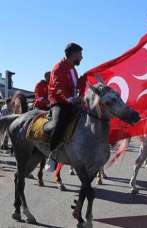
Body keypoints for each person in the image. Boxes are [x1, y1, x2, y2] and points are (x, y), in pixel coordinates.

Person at [44, 42, 83, 171]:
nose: (81, 58)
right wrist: (70, 99)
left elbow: (77, 86)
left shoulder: (73, 69)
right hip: (59, 101)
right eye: (80, 55)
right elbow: (58, 88)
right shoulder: (58, 67)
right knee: (60, 122)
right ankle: (52, 155)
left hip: (72, 101)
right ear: (73, 55)